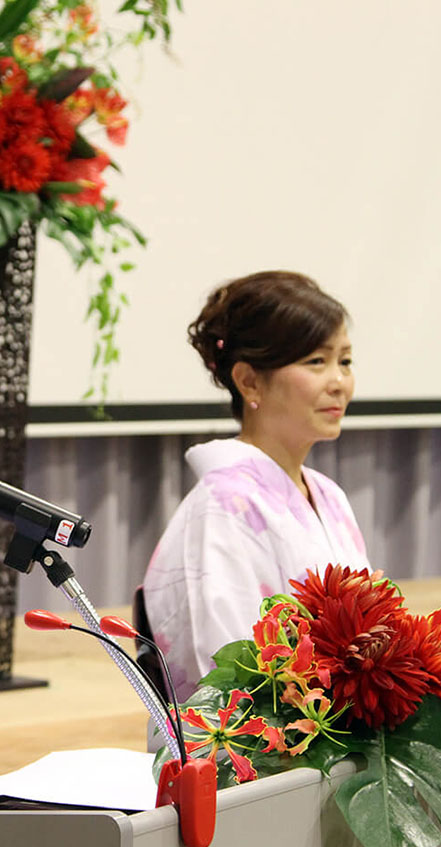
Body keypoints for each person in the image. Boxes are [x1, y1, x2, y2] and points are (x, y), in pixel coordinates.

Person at [141, 271, 370, 702]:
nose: (339, 381)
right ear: (249, 381)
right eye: (316, 362)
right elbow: (229, 668)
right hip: (269, 733)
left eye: (345, 361)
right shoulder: (222, 506)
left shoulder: (329, 496)